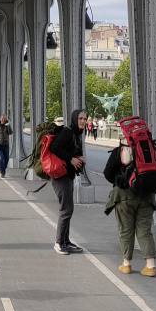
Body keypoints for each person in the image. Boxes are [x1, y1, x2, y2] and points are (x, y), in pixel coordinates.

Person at [103, 140, 156, 277]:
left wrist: (120, 181)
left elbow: (108, 173)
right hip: (146, 196)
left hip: (124, 196)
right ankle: (150, 266)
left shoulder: (119, 152)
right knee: (145, 231)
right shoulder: (149, 150)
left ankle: (126, 264)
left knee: (126, 230)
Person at [49, 109, 87, 255]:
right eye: (80, 118)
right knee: (66, 210)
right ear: (74, 119)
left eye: (85, 119)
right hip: (60, 176)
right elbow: (54, 147)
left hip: (67, 175)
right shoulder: (68, 132)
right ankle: (59, 242)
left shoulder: (77, 134)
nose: (83, 121)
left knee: (68, 209)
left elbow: (71, 151)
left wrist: (78, 159)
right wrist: (71, 159)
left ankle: (66, 241)